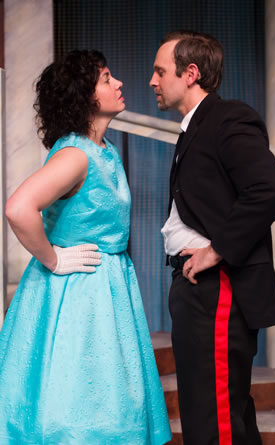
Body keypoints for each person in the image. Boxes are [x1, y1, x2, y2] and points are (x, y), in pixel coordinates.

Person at [0, 50, 172, 444]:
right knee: (78, 406)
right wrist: (54, 258)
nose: (119, 83)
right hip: (79, 294)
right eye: (107, 78)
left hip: (107, 290)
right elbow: (18, 208)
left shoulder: (103, 150)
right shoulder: (76, 154)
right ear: (86, 96)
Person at [149, 31, 275, 445]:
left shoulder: (228, 118)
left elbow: (271, 190)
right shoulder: (193, 128)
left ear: (190, 73)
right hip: (196, 290)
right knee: (215, 415)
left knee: (216, 424)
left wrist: (217, 250)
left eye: (160, 72)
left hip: (217, 288)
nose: (152, 82)